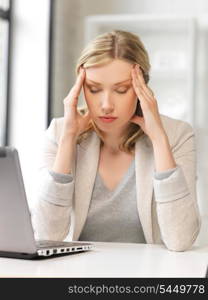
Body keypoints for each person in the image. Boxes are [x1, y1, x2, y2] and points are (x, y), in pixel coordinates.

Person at [32, 30, 201, 251]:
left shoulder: (177, 135)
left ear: (143, 87)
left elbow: (181, 240)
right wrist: (68, 140)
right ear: (81, 87)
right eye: (94, 89)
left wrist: (159, 139)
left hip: (148, 279)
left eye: (121, 90)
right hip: (77, 278)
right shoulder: (60, 132)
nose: (106, 104)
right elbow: (46, 234)